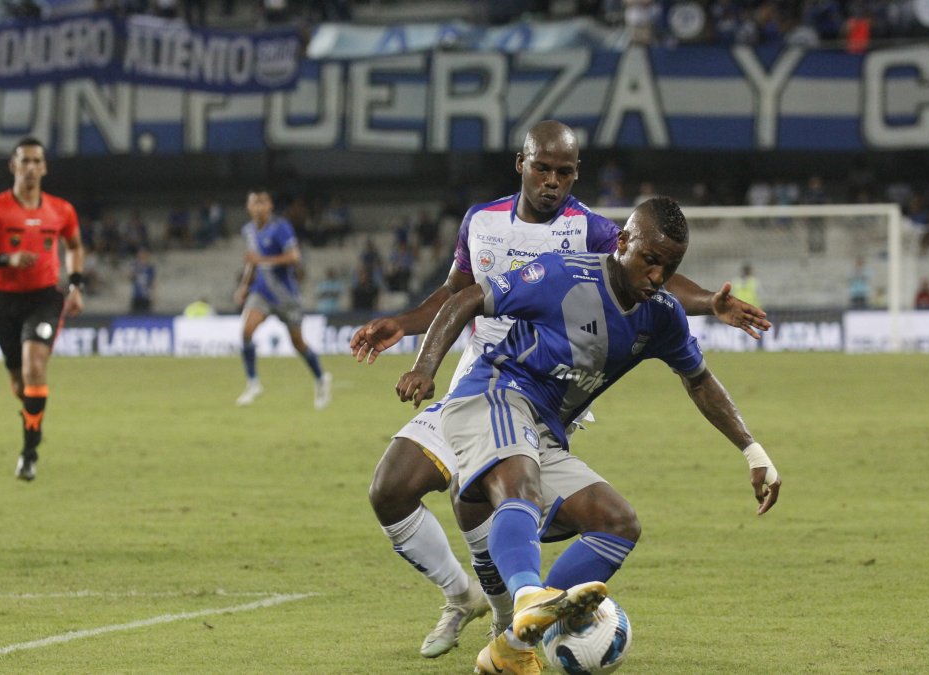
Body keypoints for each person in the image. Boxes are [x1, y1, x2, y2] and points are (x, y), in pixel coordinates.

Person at [350, 120, 772, 660]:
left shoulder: (591, 231)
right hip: (485, 380)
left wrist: (709, 302)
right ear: (521, 164)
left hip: (549, 399)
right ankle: (471, 597)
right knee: (394, 488)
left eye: (564, 172)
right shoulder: (483, 222)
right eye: (544, 168)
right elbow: (457, 293)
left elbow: (652, 273)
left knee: (510, 497)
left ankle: (512, 625)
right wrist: (409, 330)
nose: (552, 181)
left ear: (576, 175)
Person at [0, 137, 85, 482]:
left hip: (45, 298)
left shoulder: (61, 210)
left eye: (36, 161)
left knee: (34, 367)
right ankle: (34, 420)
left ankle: (29, 454)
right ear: (13, 166)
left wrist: (76, 286)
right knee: (20, 385)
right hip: (6, 302)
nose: (31, 167)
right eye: (25, 161)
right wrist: (7, 259)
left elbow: (75, 246)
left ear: (44, 168)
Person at [234, 188, 332, 409]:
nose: (258, 207)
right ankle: (253, 383)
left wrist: (262, 261)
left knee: (298, 343)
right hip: (261, 293)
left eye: (262, 202)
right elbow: (252, 262)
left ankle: (320, 378)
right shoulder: (248, 231)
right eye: (254, 203)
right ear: (248, 207)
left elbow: (294, 257)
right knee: (246, 331)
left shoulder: (281, 227)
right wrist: (244, 286)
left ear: (269, 206)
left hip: (286, 296)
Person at [129, 247, 156, 314]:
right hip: (136, 296)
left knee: (147, 315)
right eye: (140, 254)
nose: (142, 255)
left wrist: (153, 295)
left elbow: (152, 282)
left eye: (143, 254)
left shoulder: (150, 267)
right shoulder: (135, 265)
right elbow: (130, 277)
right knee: (134, 315)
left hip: (146, 296)